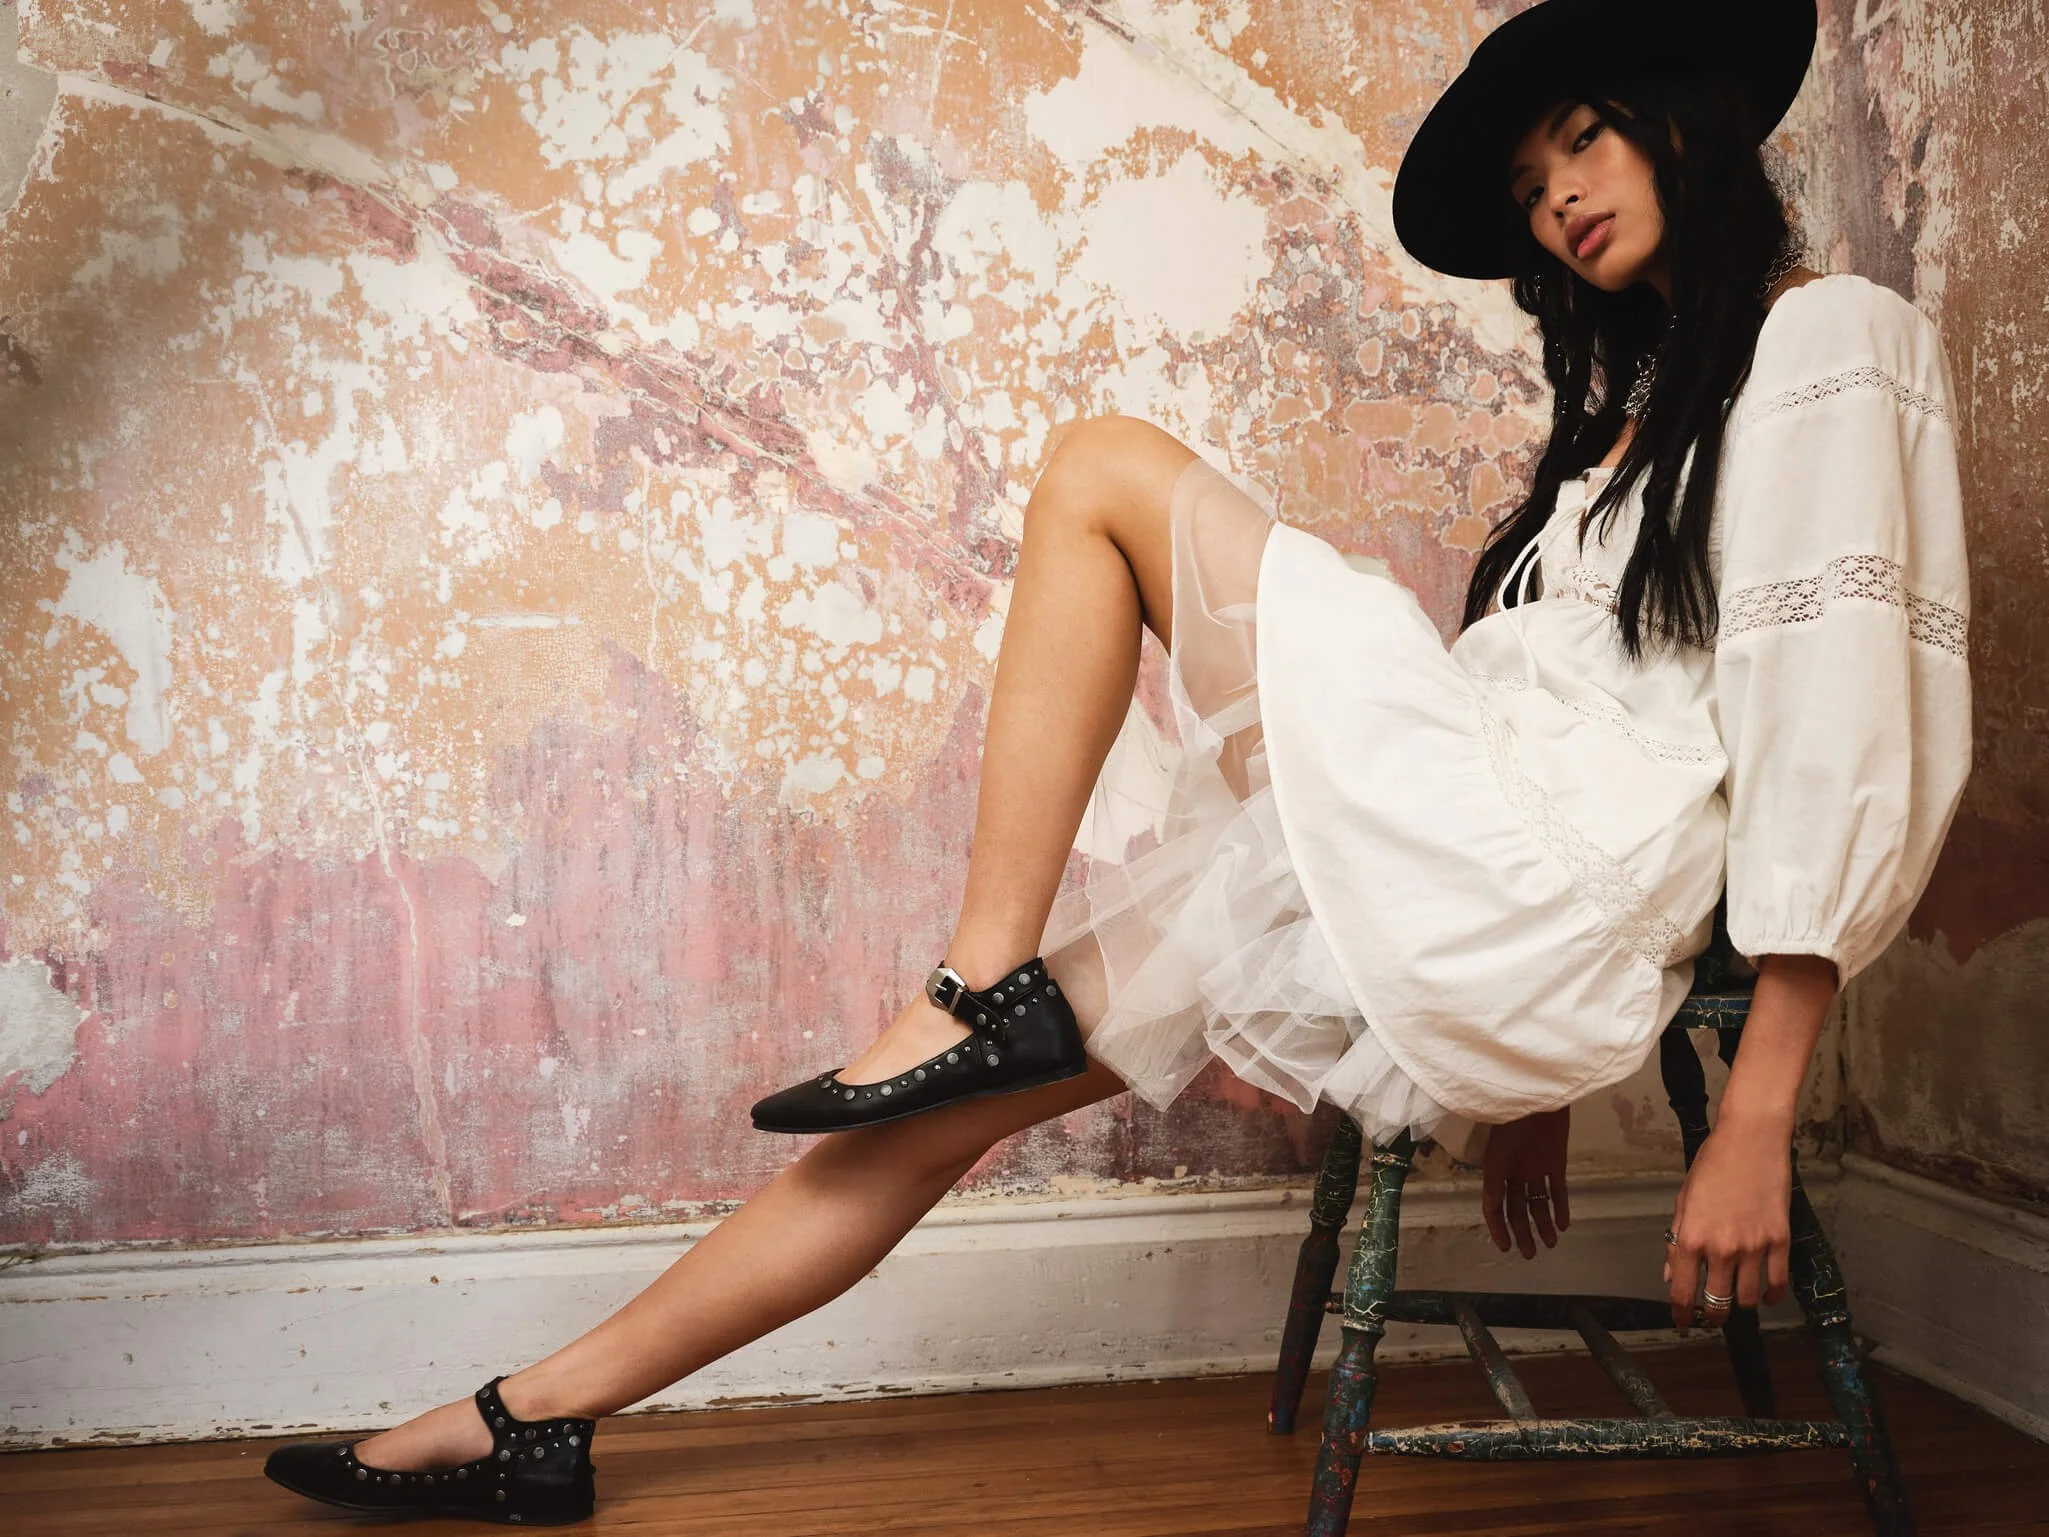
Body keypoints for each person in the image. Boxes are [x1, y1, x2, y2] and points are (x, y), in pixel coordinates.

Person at [263, 0, 1970, 1522]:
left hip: (1525, 879)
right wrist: (1505, 1065)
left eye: (1579, 140)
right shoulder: (1642, 411)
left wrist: (1753, 1112)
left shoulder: (1831, 340)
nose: (1558, 198)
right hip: (1464, 868)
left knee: (1099, 470)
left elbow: (1831, 731)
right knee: (927, 1131)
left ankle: (972, 978)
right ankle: (524, 1421)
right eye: (1531, 187)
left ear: (1681, 112)